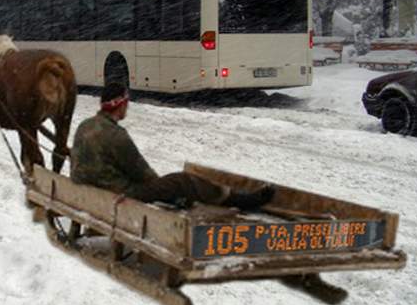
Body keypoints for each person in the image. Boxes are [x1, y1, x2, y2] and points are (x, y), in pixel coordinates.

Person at [70, 82, 274, 210]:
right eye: (126, 103)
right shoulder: (116, 135)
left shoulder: (85, 125)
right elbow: (142, 173)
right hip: (117, 195)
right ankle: (238, 200)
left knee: (171, 185)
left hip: (91, 190)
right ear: (120, 105)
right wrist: (167, 190)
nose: (127, 108)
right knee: (181, 181)